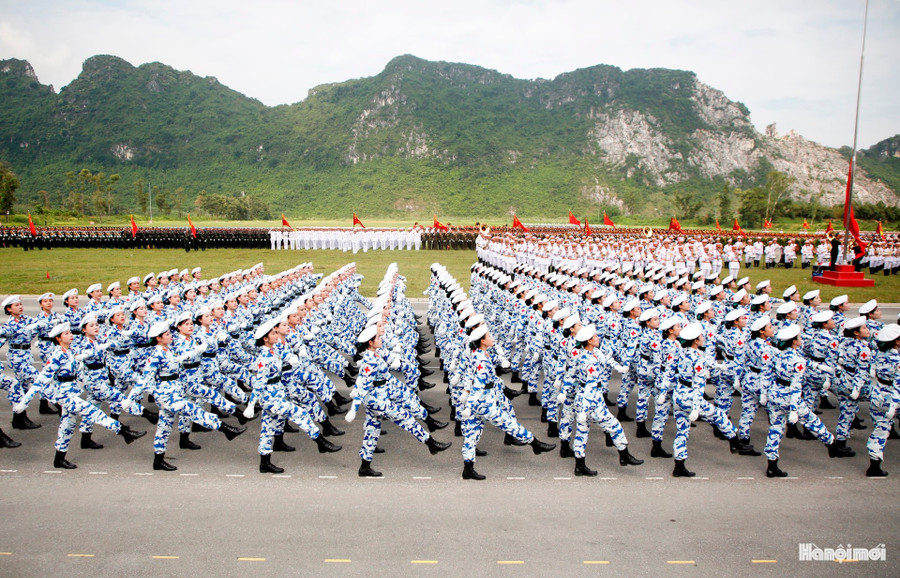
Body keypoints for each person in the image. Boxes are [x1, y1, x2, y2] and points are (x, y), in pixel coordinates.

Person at [14, 322, 146, 469]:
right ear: (58, 338)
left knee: (67, 427)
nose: (71, 335)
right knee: (95, 413)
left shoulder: (70, 352)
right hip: (65, 396)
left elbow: (80, 370)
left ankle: (59, 459)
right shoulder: (58, 355)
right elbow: (40, 381)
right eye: (66, 334)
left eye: (70, 333)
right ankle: (124, 432)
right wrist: (24, 403)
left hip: (72, 392)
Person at [127, 321, 246, 472]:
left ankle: (158, 460)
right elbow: (144, 379)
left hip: (175, 391)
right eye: (167, 335)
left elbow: (182, 358)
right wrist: (130, 399)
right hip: (166, 394)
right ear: (158, 338)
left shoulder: (168, 350)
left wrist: (196, 352)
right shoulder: (156, 355)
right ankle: (226, 429)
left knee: (164, 427)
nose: (171, 336)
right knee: (194, 410)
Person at [346, 325, 451, 478]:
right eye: (378, 338)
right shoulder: (370, 361)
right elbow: (363, 386)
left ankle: (364, 467)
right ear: (370, 343)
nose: (380, 339)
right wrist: (353, 410)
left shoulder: (373, 356)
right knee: (405, 417)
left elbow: (362, 379)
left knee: (372, 430)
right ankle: (431, 443)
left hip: (378, 396)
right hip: (376, 400)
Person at [245, 317, 342, 474]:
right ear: (265, 339)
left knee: (268, 428)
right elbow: (259, 383)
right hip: (270, 397)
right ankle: (321, 442)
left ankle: (265, 462)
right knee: (300, 413)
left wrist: (291, 358)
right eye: (273, 333)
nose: (276, 335)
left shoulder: (274, 350)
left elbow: (283, 357)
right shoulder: (263, 358)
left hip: (277, 393)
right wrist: (251, 405)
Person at [763, 325, 854, 477]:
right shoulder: (796, 359)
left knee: (775, 430)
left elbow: (772, 373)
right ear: (793, 342)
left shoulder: (778, 354)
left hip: (775, 394)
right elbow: (796, 386)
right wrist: (793, 409)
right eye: (798, 337)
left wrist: (822, 367)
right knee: (812, 421)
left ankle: (772, 465)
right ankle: (831, 445)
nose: (800, 340)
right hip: (790, 398)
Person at [671, 323, 751, 478]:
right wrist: (695, 407)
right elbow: (699, 385)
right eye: (701, 337)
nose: (703, 338)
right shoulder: (697, 358)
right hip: (691, 398)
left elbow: (674, 370)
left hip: (679, 395)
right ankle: (735, 442)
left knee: (682, 432)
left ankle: (679, 466)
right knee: (719, 415)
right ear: (695, 341)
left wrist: (719, 366)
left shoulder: (682, 352)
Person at [571, 324, 641, 476]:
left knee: (582, 433)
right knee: (614, 425)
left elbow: (607, 359)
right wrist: (584, 410)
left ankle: (579, 465)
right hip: (591, 400)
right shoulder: (590, 360)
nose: (598, 338)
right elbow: (590, 385)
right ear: (589, 341)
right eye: (595, 337)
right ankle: (624, 454)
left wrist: (619, 368)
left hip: (587, 397)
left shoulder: (593, 352)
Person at [868, 323, 900, 477]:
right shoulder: (897, 361)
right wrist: (893, 407)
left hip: (878, 395)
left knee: (880, 430)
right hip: (892, 398)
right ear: (897, 342)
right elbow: (898, 387)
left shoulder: (878, 354)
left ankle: (874, 464)